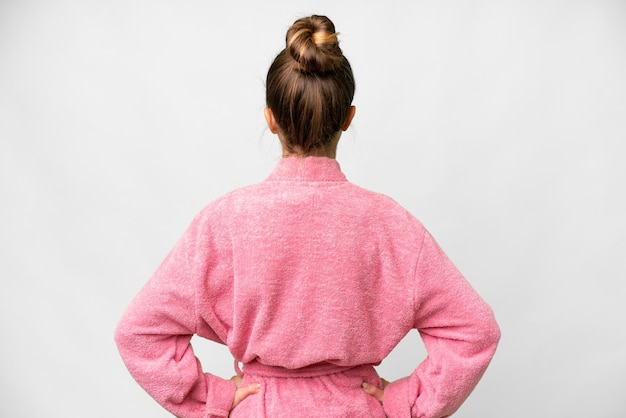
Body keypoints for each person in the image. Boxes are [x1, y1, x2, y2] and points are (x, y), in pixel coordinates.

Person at [114, 15, 500, 418]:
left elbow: (139, 332)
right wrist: (410, 401)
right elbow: (475, 330)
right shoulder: (390, 224)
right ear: (348, 119)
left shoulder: (225, 222)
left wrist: (209, 398)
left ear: (270, 119)